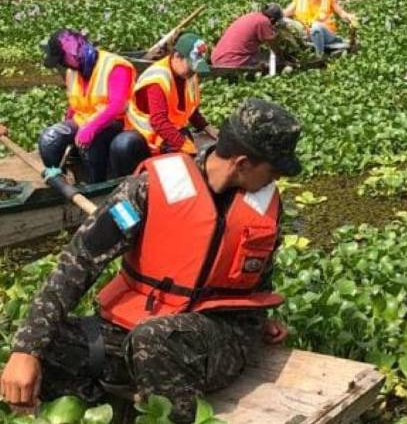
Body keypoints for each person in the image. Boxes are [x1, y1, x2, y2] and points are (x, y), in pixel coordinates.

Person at [0, 98, 301, 424]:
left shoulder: (262, 204)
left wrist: (258, 313)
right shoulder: (147, 189)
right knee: (49, 345)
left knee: (155, 339)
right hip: (139, 324)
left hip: (220, 333)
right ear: (242, 163)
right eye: (272, 171)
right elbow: (78, 262)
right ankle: (112, 413)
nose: (274, 181)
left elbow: (258, 273)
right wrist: (26, 349)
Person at [34, 30, 136, 183]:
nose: (62, 64)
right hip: (84, 120)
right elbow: (76, 101)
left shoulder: (116, 66)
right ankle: (58, 180)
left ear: (72, 53)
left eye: (62, 59)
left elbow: (117, 105)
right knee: (49, 139)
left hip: (117, 121)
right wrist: (68, 119)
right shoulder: (72, 71)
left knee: (92, 143)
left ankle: (97, 186)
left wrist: (91, 128)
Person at [108, 33, 214, 178]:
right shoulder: (158, 79)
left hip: (168, 133)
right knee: (124, 145)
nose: (194, 71)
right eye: (191, 66)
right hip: (143, 136)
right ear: (177, 56)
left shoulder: (188, 75)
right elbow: (158, 121)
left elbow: (191, 109)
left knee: (184, 158)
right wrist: (185, 145)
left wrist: (207, 128)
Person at [283, 0, 357, 56]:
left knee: (316, 27)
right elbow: (286, 12)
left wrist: (349, 17)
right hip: (306, 34)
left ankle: (319, 56)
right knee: (283, 20)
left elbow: (341, 13)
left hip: (327, 34)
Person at [211, 4, 284, 69]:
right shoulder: (264, 21)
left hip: (217, 58)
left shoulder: (252, 15)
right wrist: (282, 58)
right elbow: (273, 45)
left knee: (260, 54)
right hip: (232, 62)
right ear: (272, 19)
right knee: (270, 60)